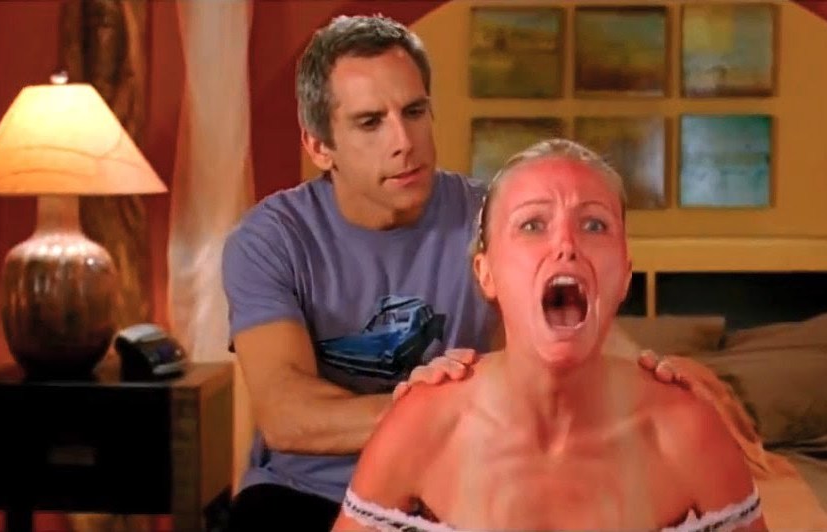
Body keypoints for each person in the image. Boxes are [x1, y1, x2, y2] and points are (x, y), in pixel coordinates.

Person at [221, 14, 683, 531]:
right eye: (370, 122)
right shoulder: (271, 239)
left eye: (414, 111)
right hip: (304, 491)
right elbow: (287, 414)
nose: (404, 141)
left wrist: (672, 381)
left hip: (455, 488)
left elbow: (577, 337)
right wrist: (437, 409)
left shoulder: (496, 217)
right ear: (318, 146)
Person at [332, 139, 767, 532]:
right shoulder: (423, 423)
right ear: (486, 273)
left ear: (624, 276)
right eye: (532, 225)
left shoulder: (686, 431)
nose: (566, 245)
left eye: (593, 225)